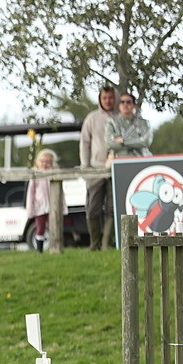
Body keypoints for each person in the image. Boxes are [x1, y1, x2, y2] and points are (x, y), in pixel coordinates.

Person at [79, 85, 116, 250]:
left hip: (115, 169)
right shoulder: (92, 118)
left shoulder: (121, 117)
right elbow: (84, 143)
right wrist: (85, 166)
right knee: (93, 209)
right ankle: (94, 243)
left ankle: (106, 244)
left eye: (110, 97)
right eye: (105, 98)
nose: (108, 101)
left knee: (112, 209)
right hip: (95, 169)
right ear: (100, 99)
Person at [25, 150, 63, 253]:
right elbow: (31, 193)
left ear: (51, 163)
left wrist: (62, 207)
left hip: (52, 206)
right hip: (40, 206)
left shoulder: (54, 174)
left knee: (55, 226)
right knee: (40, 227)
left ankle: (55, 247)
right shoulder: (35, 175)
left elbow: (60, 192)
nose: (44, 164)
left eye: (47, 162)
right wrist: (30, 209)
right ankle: (39, 250)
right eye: (42, 161)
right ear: (37, 162)